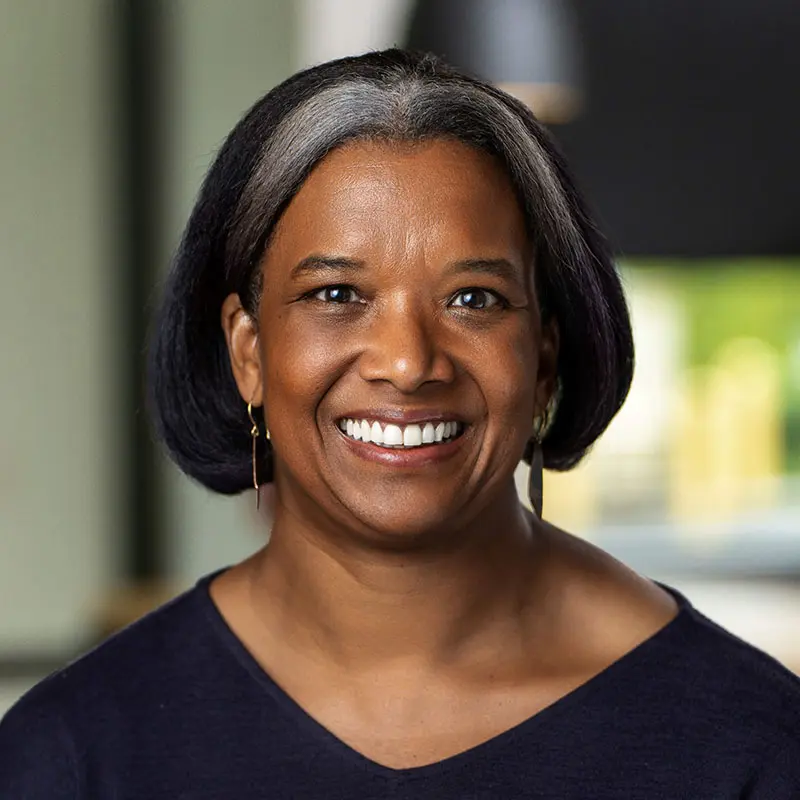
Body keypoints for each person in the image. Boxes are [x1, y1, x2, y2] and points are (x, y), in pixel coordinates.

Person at [1, 49, 798, 799]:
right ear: (249, 352)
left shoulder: (753, 748)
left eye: (474, 299)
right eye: (337, 296)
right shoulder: (72, 756)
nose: (409, 364)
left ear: (545, 361)